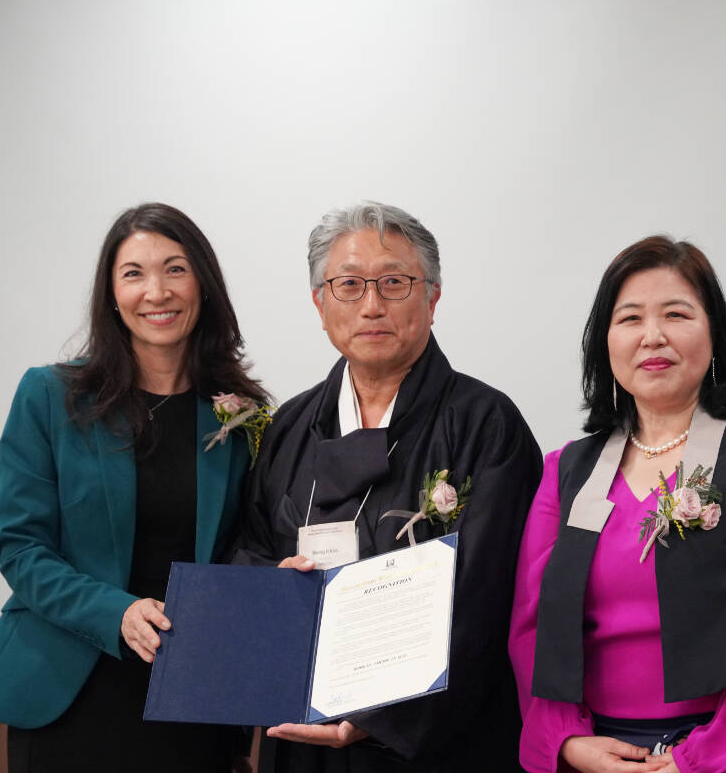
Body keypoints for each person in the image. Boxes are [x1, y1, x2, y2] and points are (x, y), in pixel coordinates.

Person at [231, 201, 543, 772]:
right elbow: (249, 550)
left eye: (394, 283)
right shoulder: (290, 427)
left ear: (433, 297)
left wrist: (379, 717)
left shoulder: (485, 423)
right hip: (304, 729)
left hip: (436, 740)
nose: (371, 305)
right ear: (319, 303)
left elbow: (490, 596)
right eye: (349, 284)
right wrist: (276, 586)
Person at [0, 203, 268, 772]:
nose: (157, 292)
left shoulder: (242, 413)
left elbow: (244, 550)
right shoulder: (50, 396)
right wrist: (116, 612)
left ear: (203, 283)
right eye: (133, 274)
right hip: (71, 692)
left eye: (175, 269)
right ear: (111, 294)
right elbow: (21, 548)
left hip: (191, 697)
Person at [509, 235, 726, 773]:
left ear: (714, 333)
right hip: (598, 754)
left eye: (676, 315)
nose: (652, 336)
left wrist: (703, 759)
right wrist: (566, 739)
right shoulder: (565, 470)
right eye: (630, 318)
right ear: (605, 341)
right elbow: (532, 630)